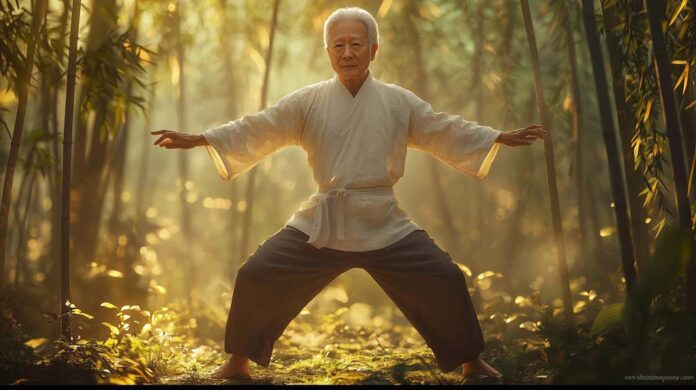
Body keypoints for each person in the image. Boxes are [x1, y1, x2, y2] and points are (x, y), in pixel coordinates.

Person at [151, 7, 545, 380]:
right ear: (327, 52)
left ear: (373, 49)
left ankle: (471, 362)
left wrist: (497, 137)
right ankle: (239, 361)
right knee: (257, 273)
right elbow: (262, 126)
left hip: (382, 220)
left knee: (443, 276)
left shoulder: (397, 101)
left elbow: (444, 129)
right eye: (338, 45)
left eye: (356, 44)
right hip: (325, 219)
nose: (347, 52)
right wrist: (203, 138)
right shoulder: (309, 101)